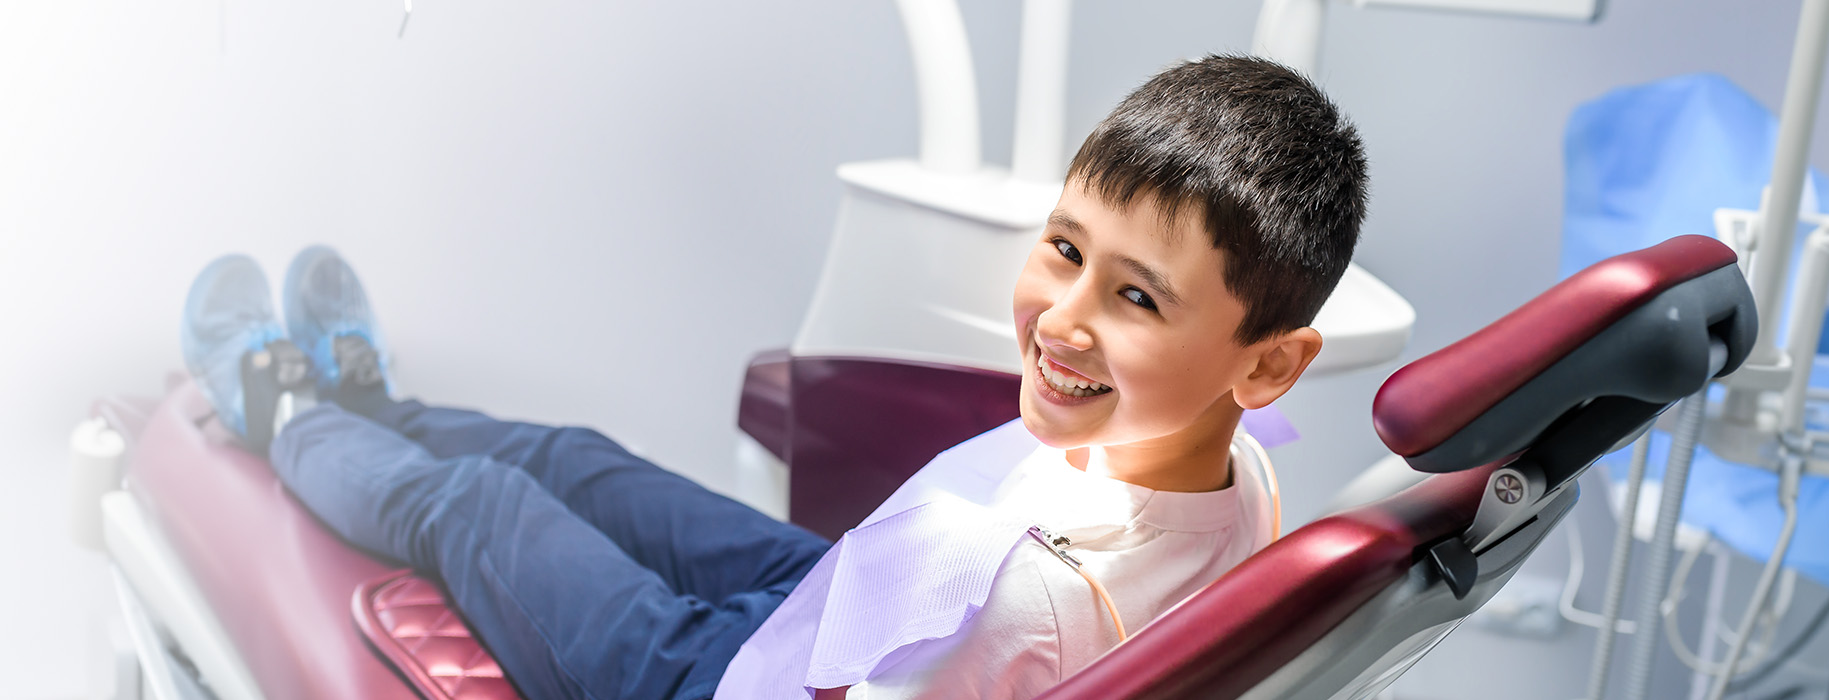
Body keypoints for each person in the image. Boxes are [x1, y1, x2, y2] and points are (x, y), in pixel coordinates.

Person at [178, 54, 1367, 700]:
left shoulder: (1020, 617)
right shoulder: (1248, 476)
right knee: (578, 462)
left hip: (717, 678)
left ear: (1266, 362)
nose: (1061, 316)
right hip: (843, 603)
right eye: (1063, 248)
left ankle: (281, 407)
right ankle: (376, 408)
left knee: (479, 509)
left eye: (1136, 296)